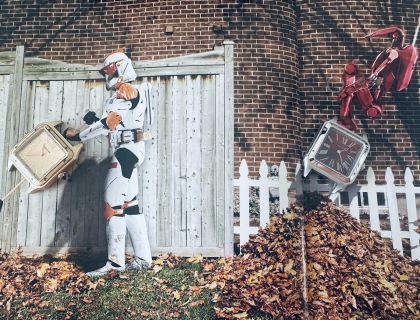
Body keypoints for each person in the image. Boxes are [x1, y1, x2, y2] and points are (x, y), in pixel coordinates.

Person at [63, 48, 154, 277]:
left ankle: (115, 264)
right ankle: (143, 259)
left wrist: (79, 135)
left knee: (111, 205)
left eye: (110, 70)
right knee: (129, 204)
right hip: (129, 150)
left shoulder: (127, 90)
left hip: (126, 152)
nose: (107, 75)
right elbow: (114, 124)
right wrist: (96, 122)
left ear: (120, 68)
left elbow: (110, 123)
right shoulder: (123, 93)